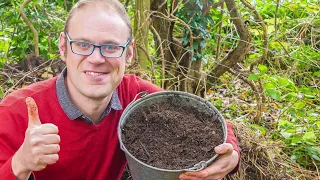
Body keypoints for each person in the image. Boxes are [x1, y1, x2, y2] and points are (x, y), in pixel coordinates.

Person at [0, 0, 240, 179]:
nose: (96, 58)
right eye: (83, 44)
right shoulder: (16, 112)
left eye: (111, 47)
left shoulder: (136, 96)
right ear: (63, 47)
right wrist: (21, 163)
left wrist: (231, 153)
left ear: (130, 52)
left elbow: (203, 117)